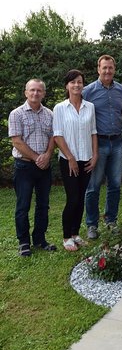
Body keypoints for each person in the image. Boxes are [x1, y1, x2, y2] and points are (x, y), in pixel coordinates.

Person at [8, 78, 56, 256]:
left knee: (43, 205)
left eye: (39, 90)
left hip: (44, 167)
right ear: (26, 92)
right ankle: (23, 242)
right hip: (24, 167)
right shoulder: (16, 114)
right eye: (32, 90)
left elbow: (53, 137)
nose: (35, 93)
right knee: (23, 205)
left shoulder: (49, 114)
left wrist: (48, 155)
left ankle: (40, 239)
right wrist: (37, 158)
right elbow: (17, 141)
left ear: (43, 93)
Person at [83, 55, 122, 239]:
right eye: (104, 68)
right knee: (93, 186)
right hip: (98, 143)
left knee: (115, 185)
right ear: (98, 69)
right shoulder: (88, 91)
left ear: (114, 69)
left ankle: (111, 221)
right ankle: (92, 225)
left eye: (110, 68)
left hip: (117, 142)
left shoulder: (121, 90)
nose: (107, 71)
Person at [53, 70, 98, 251]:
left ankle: (75, 234)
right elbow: (57, 135)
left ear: (83, 85)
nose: (76, 85)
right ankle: (66, 237)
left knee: (81, 199)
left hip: (86, 159)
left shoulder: (90, 107)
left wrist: (95, 155)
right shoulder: (60, 108)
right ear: (67, 86)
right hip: (68, 160)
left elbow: (93, 132)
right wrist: (70, 158)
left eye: (79, 82)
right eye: (72, 82)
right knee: (72, 199)